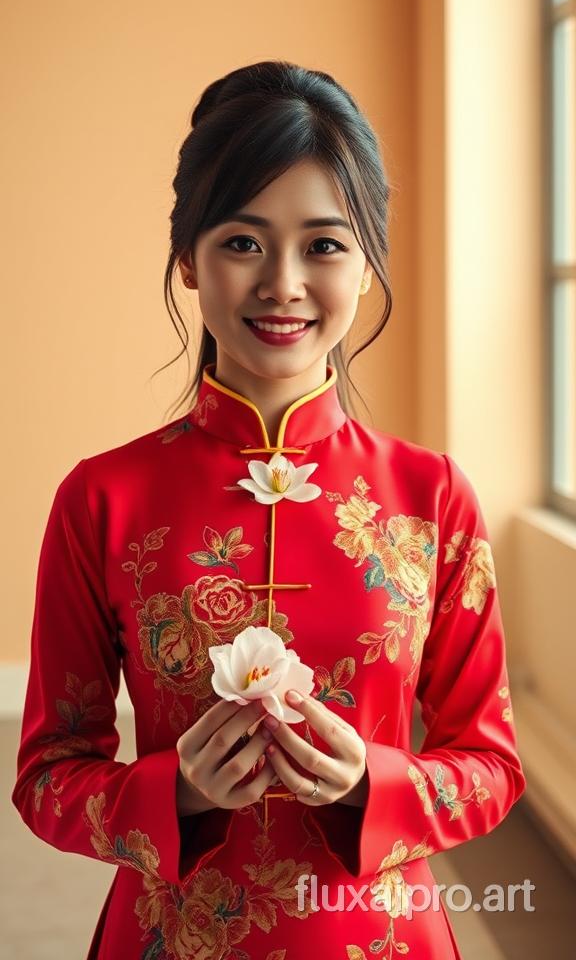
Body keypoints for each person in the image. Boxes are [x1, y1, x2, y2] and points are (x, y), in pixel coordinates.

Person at [12, 60, 526, 960]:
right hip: (169, 934)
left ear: (367, 265)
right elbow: (48, 777)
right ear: (188, 260)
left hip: (383, 939)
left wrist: (377, 780)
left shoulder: (431, 496)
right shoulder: (101, 499)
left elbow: (492, 765)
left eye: (324, 245)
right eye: (243, 243)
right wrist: (174, 792)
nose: (283, 283)